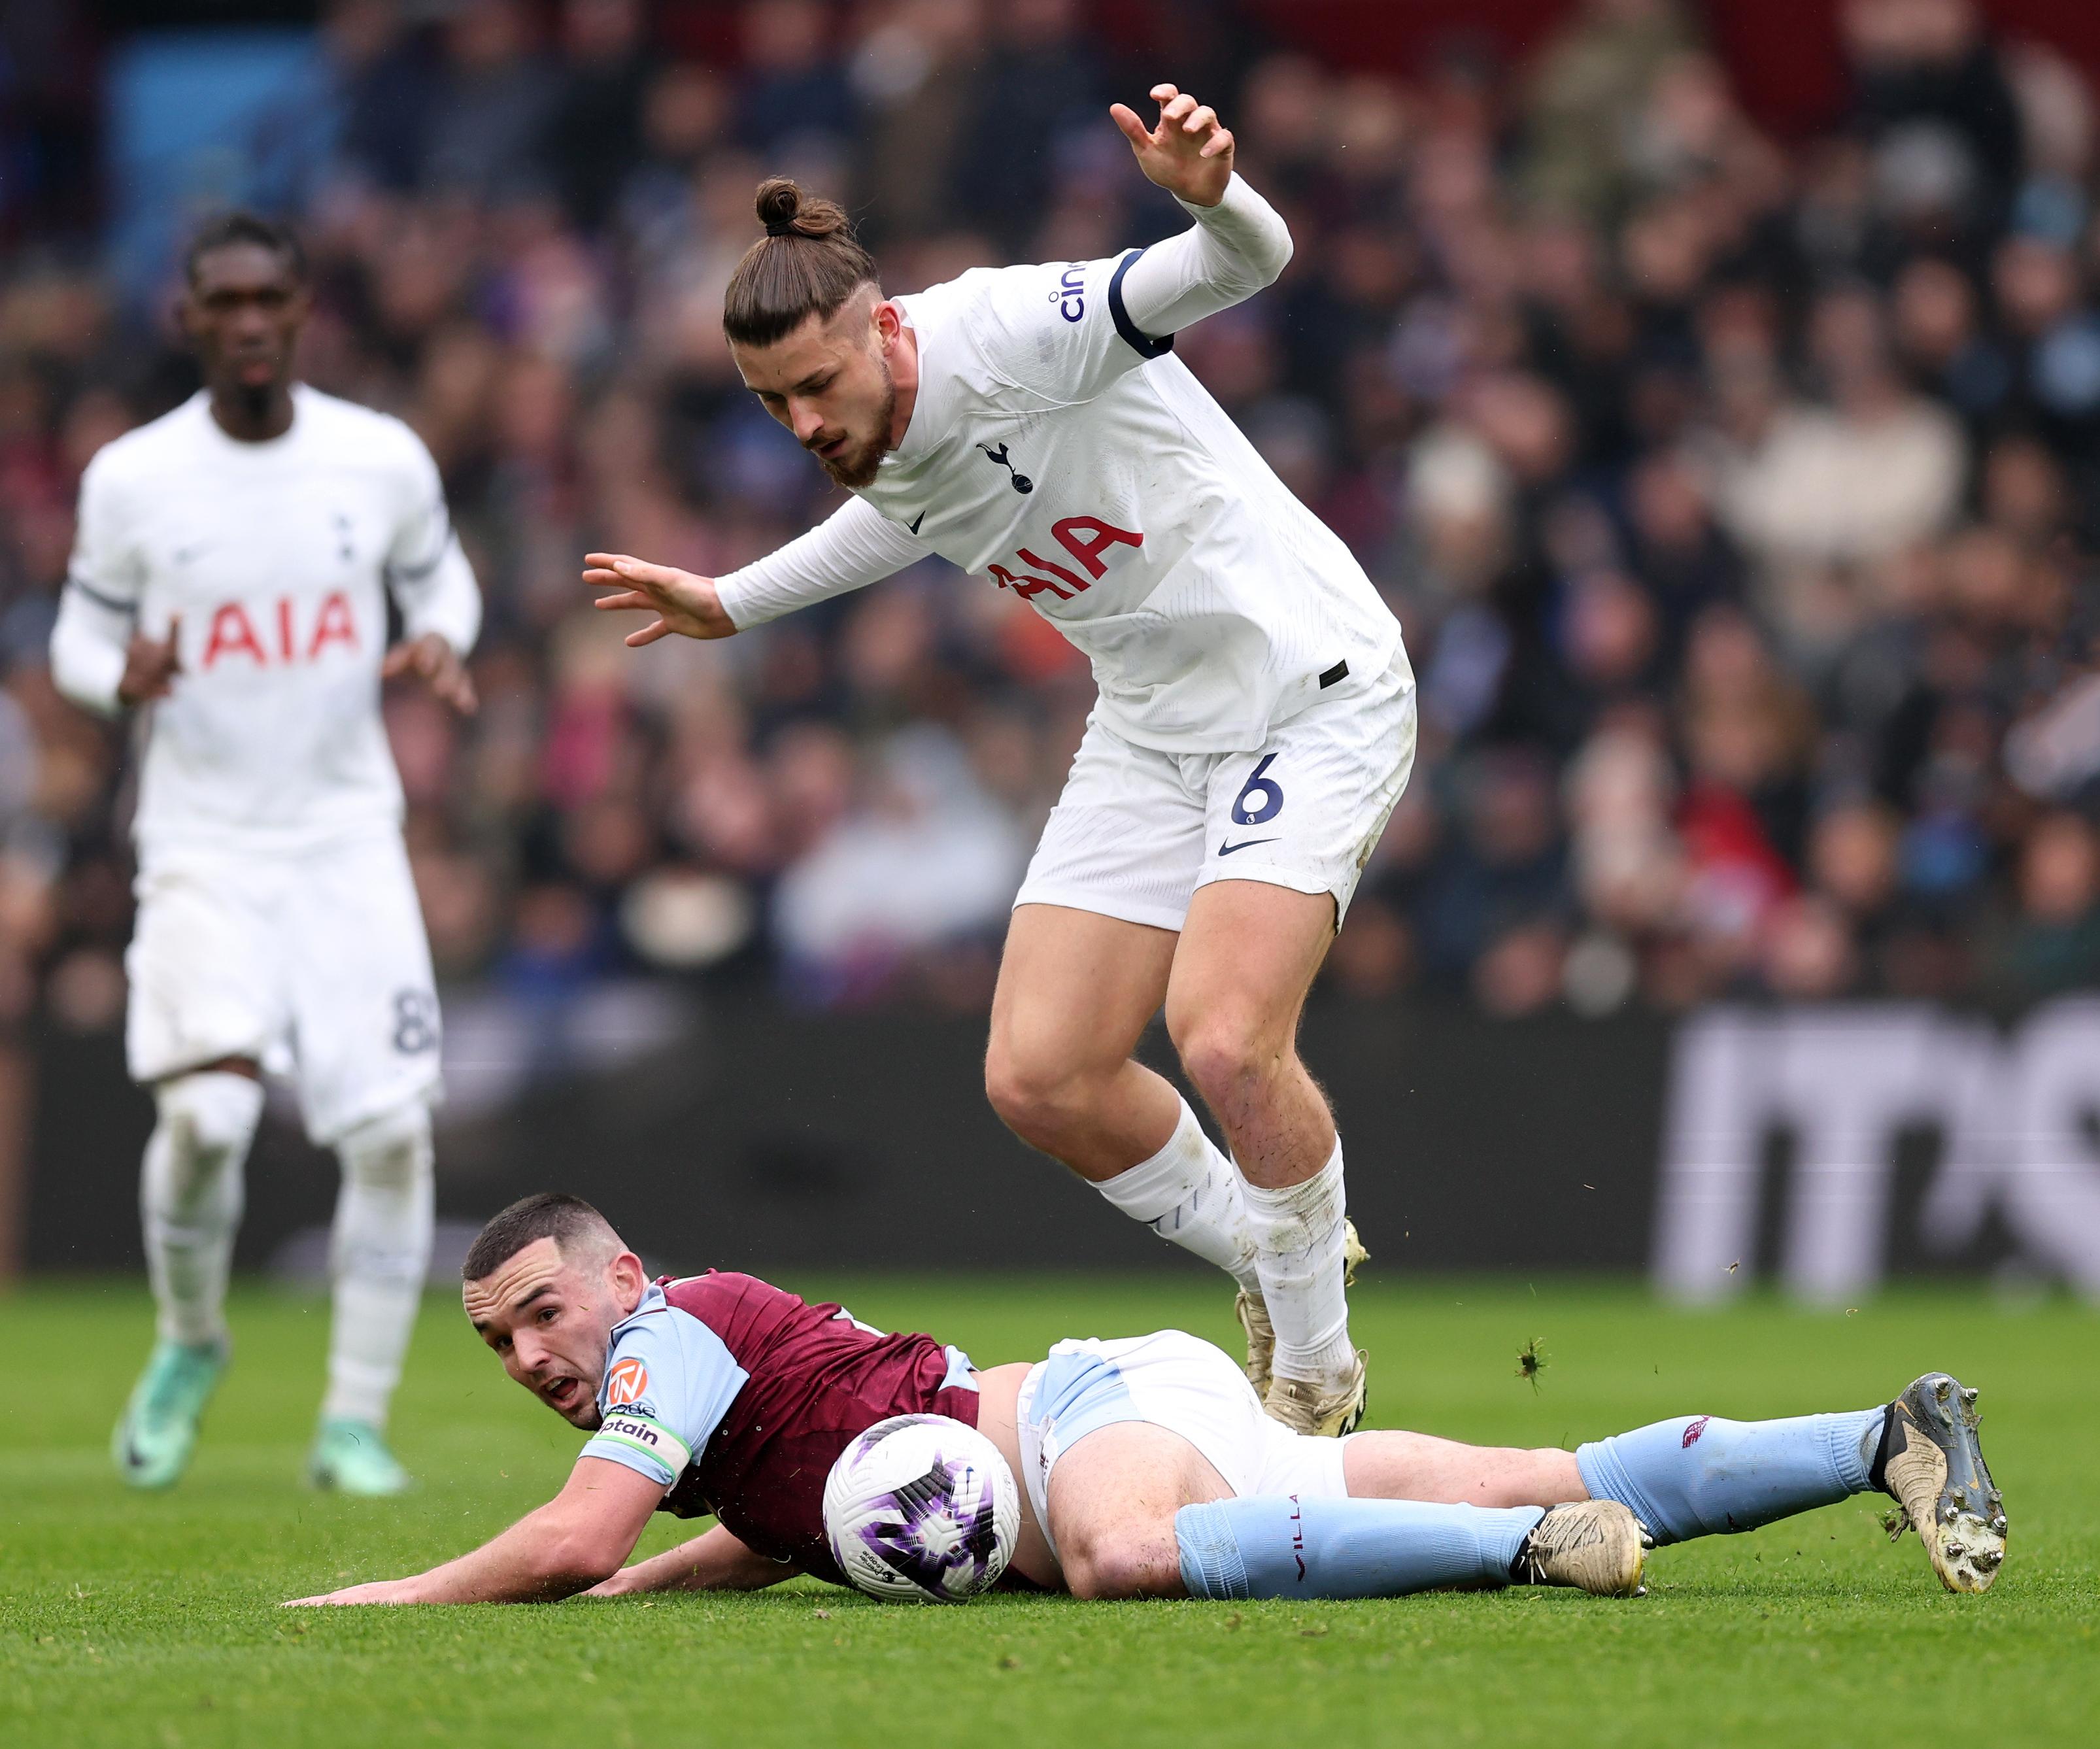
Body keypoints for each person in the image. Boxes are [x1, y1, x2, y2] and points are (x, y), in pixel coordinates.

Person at [584, 83, 1409, 1436]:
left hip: (1306, 687)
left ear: (880, 325)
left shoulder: (1013, 329)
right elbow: (914, 514)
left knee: (1222, 1036)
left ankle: (1314, 1382)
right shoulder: (869, 432)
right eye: (769, 403)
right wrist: (730, 600)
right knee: (1041, 1076)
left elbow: (1250, 264)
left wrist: (1210, 195)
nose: (800, 425)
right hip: (1151, 719)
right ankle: (1274, 1248)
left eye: (813, 385)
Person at [284, 1193, 2007, 1606]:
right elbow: (775, 1523)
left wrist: (403, 1596)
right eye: (496, 1342)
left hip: (1064, 1424)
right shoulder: (705, 1381)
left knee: (1120, 1554)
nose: (527, 1357)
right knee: (1521, 1451)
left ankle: (1527, 1552)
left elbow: (582, 1525)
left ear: (612, 1276)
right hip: (1126, 1392)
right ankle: (1883, 1435)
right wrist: (641, 1593)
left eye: (535, 1314)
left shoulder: (666, 1340)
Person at [50, 212, 482, 1495]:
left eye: (268, 301)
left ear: (301, 314)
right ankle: (191, 1340)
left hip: (347, 840)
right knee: (205, 1118)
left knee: (394, 1136)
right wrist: (112, 679)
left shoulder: (378, 459)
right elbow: (78, 637)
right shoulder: (134, 478)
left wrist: (442, 641)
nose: (247, 323)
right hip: (203, 845)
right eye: (222, 302)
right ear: (187, 318)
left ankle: (352, 1424)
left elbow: (441, 580)